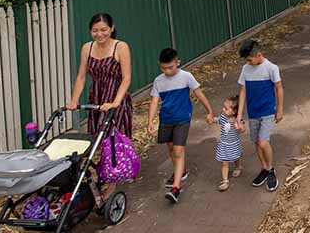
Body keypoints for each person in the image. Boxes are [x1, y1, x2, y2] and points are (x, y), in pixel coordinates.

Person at [66, 13, 132, 199]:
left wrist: (116, 102)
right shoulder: (87, 48)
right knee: (100, 140)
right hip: (97, 99)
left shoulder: (121, 47)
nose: (99, 34)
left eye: (103, 30)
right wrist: (74, 100)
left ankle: (112, 183)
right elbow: (81, 76)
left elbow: (126, 78)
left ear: (111, 28)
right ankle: (105, 173)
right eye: (95, 30)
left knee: (113, 141)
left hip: (115, 98)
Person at [147, 47, 214, 204]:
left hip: (183, 118)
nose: (168, 71)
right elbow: (154, 101)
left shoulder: (186, 76)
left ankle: (176, 187)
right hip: (166, 119)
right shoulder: (158, 81)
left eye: (170, 67)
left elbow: (199, 93)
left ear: (178, 62)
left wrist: (209, 111)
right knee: (171, 148)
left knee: (178, 150)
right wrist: (150, 121)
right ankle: (181, 171)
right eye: (163, 68)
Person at [237, 38, 283, 191]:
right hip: (253, 112)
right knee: (256, 142)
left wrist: (280, 109)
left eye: (250, 59)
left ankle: (270, 169)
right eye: (246, 60)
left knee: (263, 142)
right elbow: (243, 91)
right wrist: (239, 114)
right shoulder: (246, 69)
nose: (248, 62)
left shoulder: (271, 68)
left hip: (268, 111)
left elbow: (279, 88)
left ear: (259, 55)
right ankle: (264, 168)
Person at [215, 95, 244, 191]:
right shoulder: (223, 117)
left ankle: (238, 166)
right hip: (224, 144)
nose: (223, 110)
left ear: (234, 111)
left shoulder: (237, 120)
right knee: (224, 162)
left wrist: (239, 127)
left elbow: (243, 129)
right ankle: (225, 180)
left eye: (226, 108)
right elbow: (216, 120)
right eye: (224, 107)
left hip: (234, 144)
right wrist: (211, 119)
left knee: (236, 156)